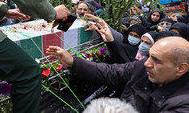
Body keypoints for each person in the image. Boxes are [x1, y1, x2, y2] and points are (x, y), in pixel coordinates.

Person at [47, 37, 189, 113]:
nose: (147, 63)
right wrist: (73, 62)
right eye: (149, 56)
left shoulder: (183, 104)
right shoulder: (143, 67)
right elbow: (111, 72)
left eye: (156, 60)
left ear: (181, 68)